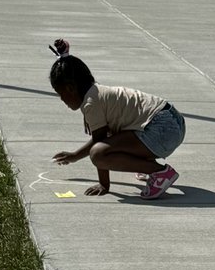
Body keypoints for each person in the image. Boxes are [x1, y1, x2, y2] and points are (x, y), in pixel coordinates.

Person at [48, 38, 184, 200]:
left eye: (61, 95)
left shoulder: (91, 104)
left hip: (161, 129)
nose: (62, 100)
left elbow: (99, 146)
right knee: (113, 136)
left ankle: (159, 172)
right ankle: (145, 162)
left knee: (98, 154)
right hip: (174, 121)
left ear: (71, 88)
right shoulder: (96, 92)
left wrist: (102, 183)